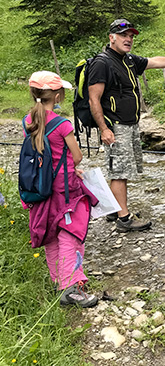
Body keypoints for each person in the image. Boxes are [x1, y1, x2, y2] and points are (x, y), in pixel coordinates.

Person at [88, 18, 165, 232]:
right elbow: (94, 99)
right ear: (112, 38)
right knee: (120, 171)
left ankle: (114, 209)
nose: (128, 39)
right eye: (124, 35)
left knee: (121, 169)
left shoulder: (127, 59)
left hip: (129, 125)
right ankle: (124, 219)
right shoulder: (102, 63)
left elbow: (154, 62)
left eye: (131, 36)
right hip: (116, 126)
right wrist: (104, 129)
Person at [23, 71, 99, 308]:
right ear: (56, 96)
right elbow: (76, 157)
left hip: (39, 187)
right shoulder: (62, 124)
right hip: (64, 190)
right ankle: (71, 289)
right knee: (69, 234)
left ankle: (59, 282)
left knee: (51, 235)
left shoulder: (28, 120)